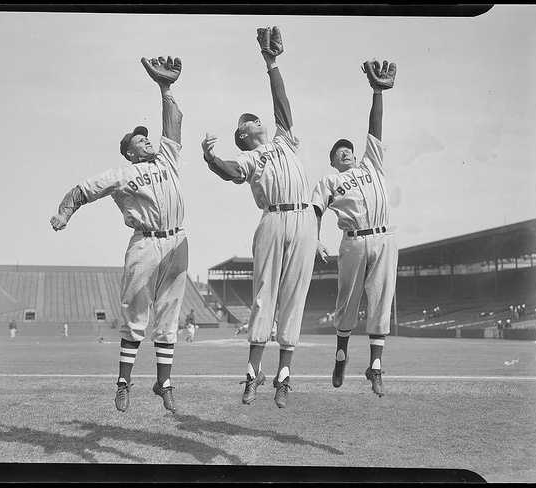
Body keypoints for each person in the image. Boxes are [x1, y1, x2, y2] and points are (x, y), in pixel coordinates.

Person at [50, 55, 186, 414]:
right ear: (129, 151)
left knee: (170, 313)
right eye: (140, 141)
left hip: (177, 241)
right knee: (136, 314)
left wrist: (166, 87)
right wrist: (65, 213)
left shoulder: (167, 159)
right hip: (145, 242)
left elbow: (173, 123)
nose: (147, 141)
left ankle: (165, 383)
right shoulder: (121, 175)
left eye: (146, 138)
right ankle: (124, 383)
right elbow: (81, 190)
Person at [201, 26, 316, 408]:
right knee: (265, 298)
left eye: (257, 119)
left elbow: (282, 105)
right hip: (272, 219)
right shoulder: (251, 156)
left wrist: (272, 65)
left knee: (294, 297)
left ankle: (284, 377)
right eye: (250, 122)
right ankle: (252, 374)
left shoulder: (282, 139)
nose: (257, 121)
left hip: (303, 220)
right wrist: (211, 159)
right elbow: (232, 172)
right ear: (243, 134)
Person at [313, 59, 398, 397]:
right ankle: (341, 355)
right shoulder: (330, 180)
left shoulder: (371, 165)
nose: (346, 153)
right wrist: (316, 240)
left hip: (384, 236)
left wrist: (377, 91)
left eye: (349, 150)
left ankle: (375, 367)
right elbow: (315, 210)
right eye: (340, 152)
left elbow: (374, 129)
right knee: (346, 302)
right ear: (332, 160)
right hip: (352, 241)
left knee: (381, 301)